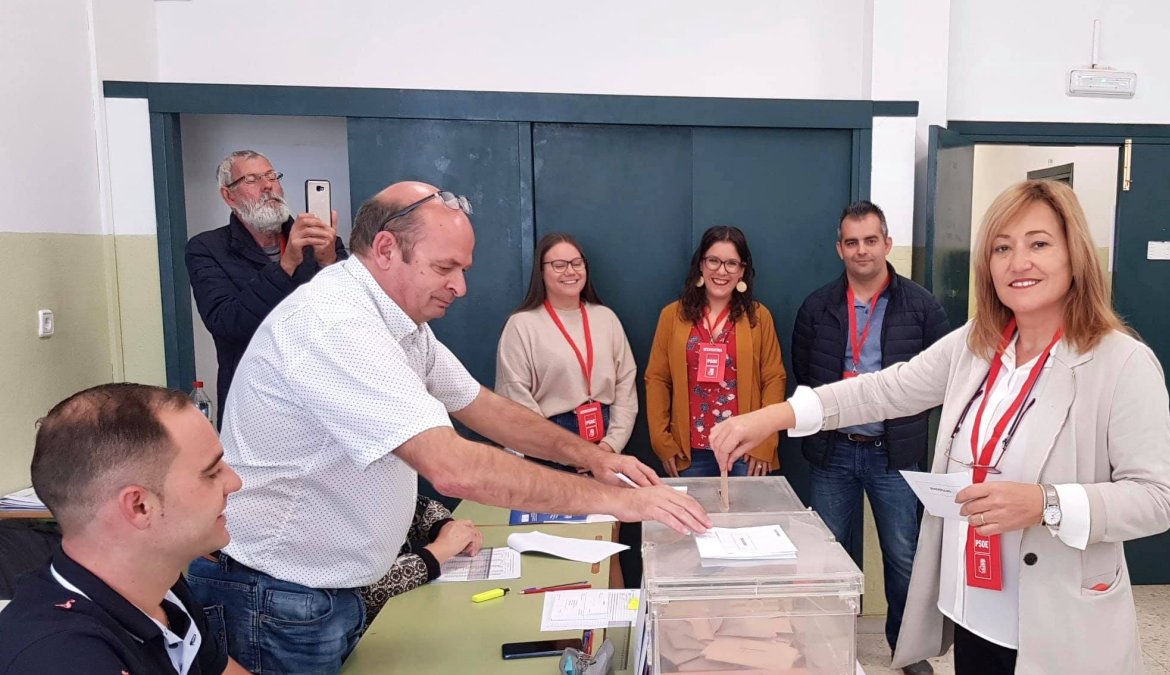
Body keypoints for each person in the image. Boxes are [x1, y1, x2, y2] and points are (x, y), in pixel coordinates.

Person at [186, 181, 710, 675]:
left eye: (463, 268)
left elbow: (481, 406)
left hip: (321, 591)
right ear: (387, 249)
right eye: (445, 267)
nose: (460, 286)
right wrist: (616, 501)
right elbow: (452, 467)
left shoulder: (400, 323)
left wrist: (594, 458)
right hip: (276, 597)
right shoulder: (336, 324)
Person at [711, 180, 1170, 674]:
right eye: (1002, 247)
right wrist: (774, 415)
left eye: (1038, 243)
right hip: (974, 608)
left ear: (1075, 254)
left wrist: (1047, 503)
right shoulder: (976, 345)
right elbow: (882, 389)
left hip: (1058, 624)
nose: (1018, 262)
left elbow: (1155, 499)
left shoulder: (1121, 361)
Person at [792, 200, 947, 673]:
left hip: (893, 455)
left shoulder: (922, 307)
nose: (862, 250)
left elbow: (939, 380)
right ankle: (825, 646)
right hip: (833, 452)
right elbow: (806, 376)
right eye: (852, 241)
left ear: (887, 243)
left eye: (871, 240)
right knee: (825, 556)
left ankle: (908, 649)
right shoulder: (817, 306)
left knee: (903, 557)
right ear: (840, 248)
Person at [0, 383, 249, 675]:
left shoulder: (160, 589)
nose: (235, 482)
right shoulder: (63, 658)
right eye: (211, 473)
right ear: (139, 506)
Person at [185, 149, 348, 426]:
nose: (268, 186)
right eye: (252, 179)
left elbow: (349, 316)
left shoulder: (322, 243)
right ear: (228, 196)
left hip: (321, 397)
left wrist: (328, 261)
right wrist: (285, 266)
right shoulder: (206, 249)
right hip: (253, 400)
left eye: (272, 176)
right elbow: (227, 323)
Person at [646, 225, 787, 478]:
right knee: (693, 518)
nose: (721, 271)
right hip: (688, 452)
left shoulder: (758, 317)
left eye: (732, 263)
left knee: (746, 519)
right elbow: (657, 379)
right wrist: (661, 441)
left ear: (742, 271)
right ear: (700, 265)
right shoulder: (672, 316)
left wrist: (765, 442)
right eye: (713, 261)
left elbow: (774, 378)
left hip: (745, 448)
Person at [496, 232, 638, 469]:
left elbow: (626, 384)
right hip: (548, 446)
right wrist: (563, 450)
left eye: (576, 263)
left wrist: (610, 446)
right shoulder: (522, 324)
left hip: (605, 442)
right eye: (559, 265)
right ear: (541, 271)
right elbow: (515, 395)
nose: (570, 272)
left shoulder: (606, 318)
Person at [360, 496, 481, 625]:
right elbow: (358, 595)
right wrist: (436, 552)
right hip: (368, 631)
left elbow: (413, 506)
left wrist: (445, 526)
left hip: (408, 605)